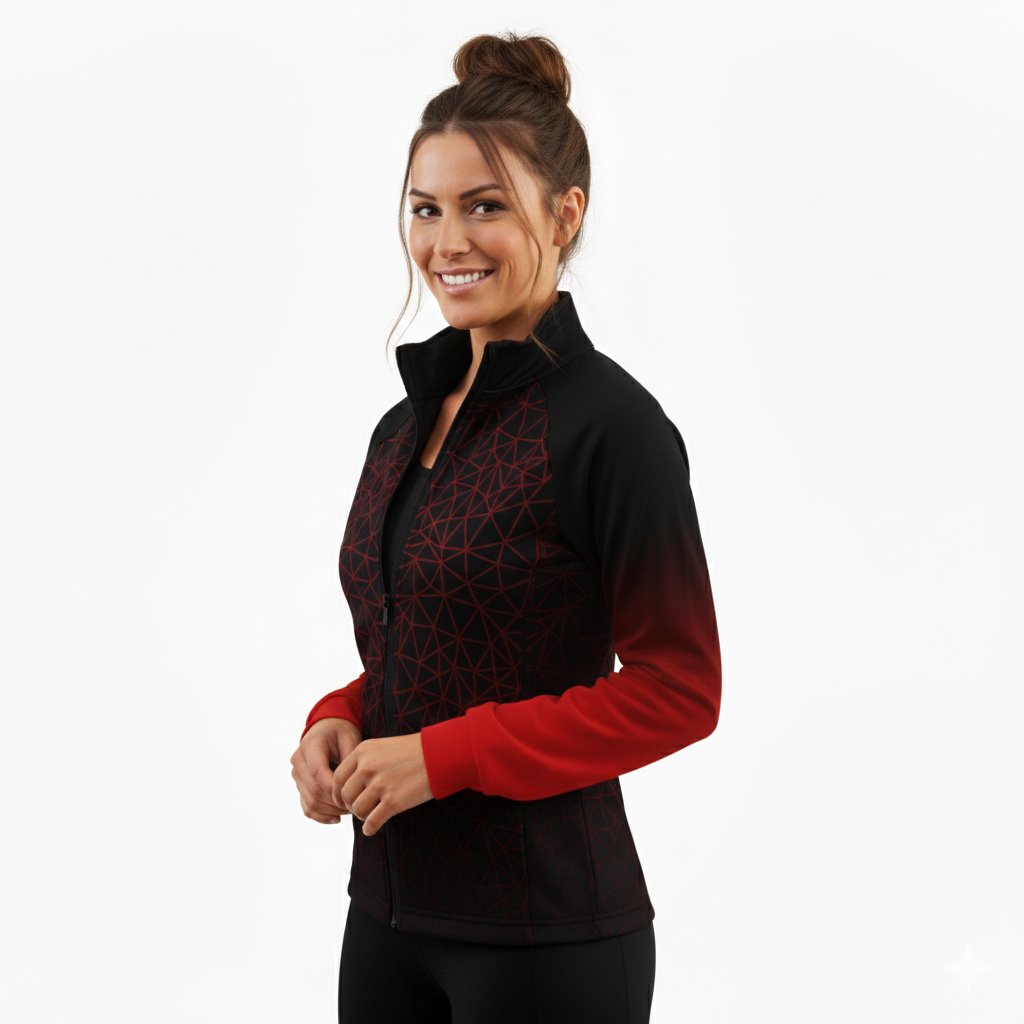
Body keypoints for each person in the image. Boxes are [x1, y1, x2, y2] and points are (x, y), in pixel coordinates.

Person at [289, 30, 722, 1024]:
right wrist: (338, 715)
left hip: (550, 937)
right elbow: (431, 632)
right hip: (387, 916)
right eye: (426, 208)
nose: (448, 241)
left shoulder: (613, 427)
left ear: (565, 213)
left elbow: (680, 690)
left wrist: (445, 756)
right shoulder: (402, 426)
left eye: (484, 206)